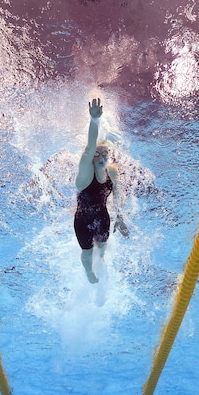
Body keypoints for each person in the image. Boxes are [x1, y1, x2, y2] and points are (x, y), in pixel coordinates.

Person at [74, 94, 128, 284]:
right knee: (87, 252)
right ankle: (89, 272)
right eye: (97, 153)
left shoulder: (112, 172)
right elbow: (89, 147)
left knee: (102, 247)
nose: (101, 155)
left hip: (103, 217)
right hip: (82, 221)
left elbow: (118, 195)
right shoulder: (84, 175)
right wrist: (94, 120)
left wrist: (120, 218)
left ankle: (102, 259)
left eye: (105, 152)